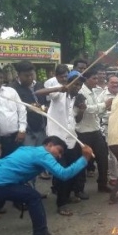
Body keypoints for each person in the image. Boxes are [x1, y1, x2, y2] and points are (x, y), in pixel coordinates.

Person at [0, 136, 94, 235]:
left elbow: (17, 169)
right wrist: (84, 159)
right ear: (49, 145)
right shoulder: (43, 155)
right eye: (59, 151)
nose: (59, 156)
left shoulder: (28, 149)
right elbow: (63, 174)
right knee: (33, 197)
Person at [35, 71, 86, 215]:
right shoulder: (58, 94)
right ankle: (61, 204)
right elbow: (38, 92)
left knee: (72, 170)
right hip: (57, 139)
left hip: (71, 138)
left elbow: (77, 120)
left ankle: (66, 195)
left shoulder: (76, 99)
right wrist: (59, 88)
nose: (77, 86)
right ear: (67, 82)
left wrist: (82, 111)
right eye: (75, 83)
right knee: (62, 172)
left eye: (79, 84)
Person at [75, 68, 113, 196]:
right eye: (94, 78)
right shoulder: (80, 93)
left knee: (103, 158)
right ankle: (79, 189)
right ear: (86, 79)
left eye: (97, 78)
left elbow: (97, 112)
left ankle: (102, 184)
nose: (97, 81)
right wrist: (104, 105)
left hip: (96, 130)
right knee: (83, 161)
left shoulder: (94, 92)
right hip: (83, 132)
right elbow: (87, 109)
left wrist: (106, 108)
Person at [0, 65, 27, 158]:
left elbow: (22, 109)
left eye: (1, 77)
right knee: (0, 166)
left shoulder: (11, 91)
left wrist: (22, 129)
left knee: (17, 164)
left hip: (16, 137)